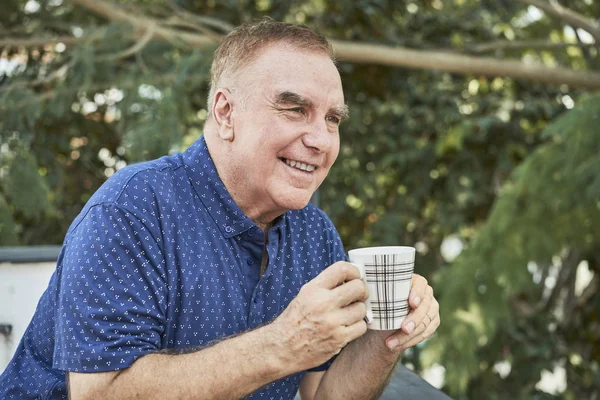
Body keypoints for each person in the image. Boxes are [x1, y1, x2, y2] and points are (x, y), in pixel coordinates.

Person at [0, 18, 440, 399]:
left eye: (332, 119)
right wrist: (282, 345)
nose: (322, 140)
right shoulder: (131, 211)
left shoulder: (314, 233)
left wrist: (388, 335)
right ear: (225, 112)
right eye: (294, 109)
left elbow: (322, 394)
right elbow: (99, 394)